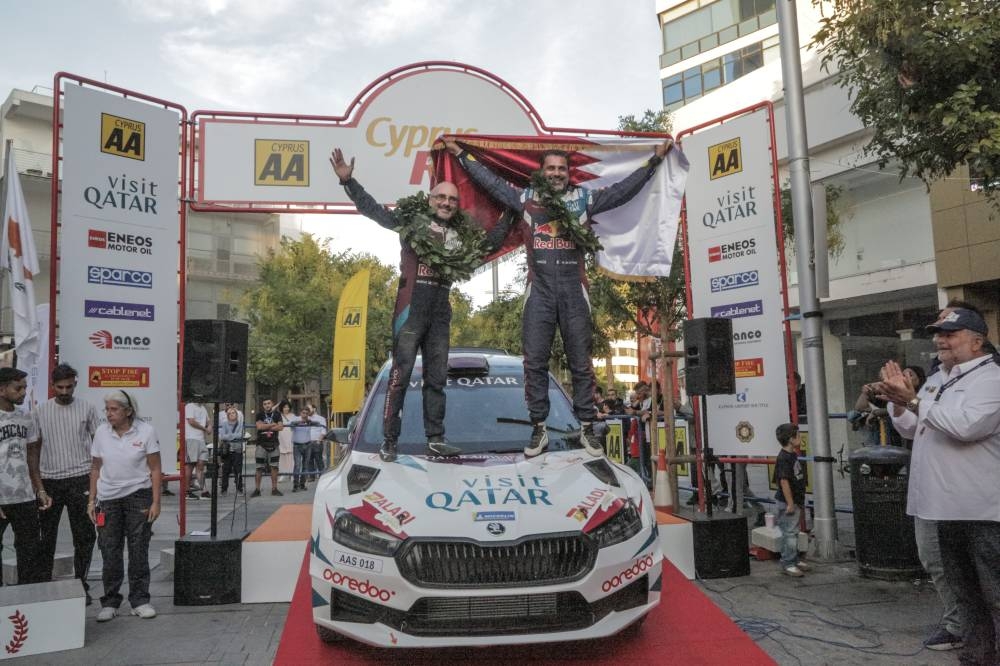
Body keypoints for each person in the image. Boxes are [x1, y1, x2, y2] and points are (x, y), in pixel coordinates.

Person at [445, 138, 673, 458]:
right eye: (550, 168)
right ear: (542, 172)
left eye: (561, 169)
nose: (556, 173)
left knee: (581, 363)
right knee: (534, 362)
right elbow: (492, 183)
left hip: (573, 289)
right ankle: (538, 428)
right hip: (538, 291)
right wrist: (461, 155)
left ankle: (586, 428)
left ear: (569, 173)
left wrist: (654, 163)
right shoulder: (526, 198)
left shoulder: (584, 198)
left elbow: (623, 191)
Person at [330, 147, 511, 461]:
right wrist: (349, 183)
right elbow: (375, 211)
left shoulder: (461, 234)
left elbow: (488, 245)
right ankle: (389, 440)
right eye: (441, 197)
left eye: (452, 200)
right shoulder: (411, 222)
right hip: (410, 311)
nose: (446, 203)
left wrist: (511, 213)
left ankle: (436, 438)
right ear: (430, 199)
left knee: (437, 379)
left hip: (440, 314)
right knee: (399, 377)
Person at [879, 307, 1000, 663]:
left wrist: (913, 400)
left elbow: (967, 426)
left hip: (981, 508)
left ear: (977, 342)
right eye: (937, 334)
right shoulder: (937, 378)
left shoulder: (992, 379)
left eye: (950, 334)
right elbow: (911, 429)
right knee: (964, 591)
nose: (940, 340)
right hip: (944, 506)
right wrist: (898, 403)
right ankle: (979, 654)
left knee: (994, 589)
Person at [88, 390, 161, 621]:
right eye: (107, 409)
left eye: (114, 409)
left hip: (138, 496)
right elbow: (95, 468)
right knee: (109, 550)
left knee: (138, 548)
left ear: (128, 411)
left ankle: (140, 600)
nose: (109, 414)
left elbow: (156, 469)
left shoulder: (146, 431)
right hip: (107, 499)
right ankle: (110, 601)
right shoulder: (101, 432)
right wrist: (92, 500)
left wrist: (156, 502)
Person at [36, 363, 100, 601]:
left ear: (75, 384)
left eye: (69, 387)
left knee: (84, 535)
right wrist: (38, 486)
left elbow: (98, 446)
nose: (64, 391)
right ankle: (43, 584)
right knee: (45, 536)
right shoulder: (40, 411)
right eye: (60, 387)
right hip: (49, 480)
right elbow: (33, 449)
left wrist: (97, 481)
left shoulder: (88, 409)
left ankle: (80, 583)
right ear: (52, 386)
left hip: (80, 478)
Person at [0, 367, 51, 585]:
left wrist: (39, 489)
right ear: (2, 389)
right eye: (18, 388)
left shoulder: (26, 418)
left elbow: (32, 459)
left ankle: (27, 601)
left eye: (25, 387)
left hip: (24, 497)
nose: (23, 392)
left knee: (30, 550)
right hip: (1, 496)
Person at [772, 422, 811, 577]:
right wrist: (790, 503)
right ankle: (788, 562)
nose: (800, 438)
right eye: (798, 435)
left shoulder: (792, 455)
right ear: (790, 439)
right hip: (788, 501)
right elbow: (783, 481)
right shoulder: (784, 458)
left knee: (792, 532)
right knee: (789, 532)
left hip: (794, 500)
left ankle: (793, 559)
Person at [252, 399, 283, 497]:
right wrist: (273, 424)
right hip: (261, 444)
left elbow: (281, 427)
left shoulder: (277, 414)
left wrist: (266, 426)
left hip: (274, 444)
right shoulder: (259, 414)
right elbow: (259, 427)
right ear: (263, 405)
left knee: (274, 467)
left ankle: (274, 489)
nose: (267, 405)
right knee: (259, 467)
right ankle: (257, 489)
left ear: (272, 404)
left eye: (269, 403)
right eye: (264, 404)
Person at [183, 401, 211, 500]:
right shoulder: (189, 406)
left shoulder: (203, 408)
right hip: (191, 438)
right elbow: (191, 421)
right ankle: (186, 491)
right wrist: (204, 428)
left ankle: (204, 490)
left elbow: (208, 422)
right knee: (190, 465)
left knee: (201, 466)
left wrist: (209, 427)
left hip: (201, 440)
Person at [218, 407, 244, 495]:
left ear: (236, 414)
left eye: (234, 413)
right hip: (227, 450)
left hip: (237, 449)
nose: (232, 414)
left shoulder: (240, 423)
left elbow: (240, 435)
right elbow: (222, 436)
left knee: (238, 470)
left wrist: (229, 436)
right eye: (230, 413)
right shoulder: (225, 424)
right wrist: (233, 436)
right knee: (226, 470)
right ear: (227, 415)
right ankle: (224, 490)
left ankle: (239, 489)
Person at [288, 407, 312, 492]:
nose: (305, 415)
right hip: (297, 445)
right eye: (303, 413)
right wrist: (300, 422)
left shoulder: (310, 420)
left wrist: (309, 421)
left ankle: (302, 484)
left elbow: (318, 423)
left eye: (306, 413)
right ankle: (295, 485)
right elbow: (291, 424)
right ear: (300, 413)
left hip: (308, 444)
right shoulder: (295, 419)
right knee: (297, 465)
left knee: (305, 466)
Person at [307, 406, 327, 481]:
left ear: (314, 409)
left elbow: (323, 430)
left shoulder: (321, 418)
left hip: (317, 441)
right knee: (309, 460)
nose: (308, 411)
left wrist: (319, 440)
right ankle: (311, 476)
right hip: (308, 442)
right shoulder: (306, 418)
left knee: (319, 459)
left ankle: (322, 476)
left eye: (310, 409)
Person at [277, 400, 294, 480]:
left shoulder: (293, 416)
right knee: (282, 456)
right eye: (284, 407)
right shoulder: (278, 416)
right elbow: (270, 411)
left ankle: (292, 474)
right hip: (281, 437)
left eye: (287, 407)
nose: (286, 408)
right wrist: (278, 404)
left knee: (290, 456)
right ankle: (283, 474)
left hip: (290, 437)